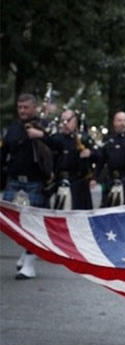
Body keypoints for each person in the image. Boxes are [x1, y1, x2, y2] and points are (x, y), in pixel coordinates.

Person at [1, 93, 53, 279]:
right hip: (14, 181)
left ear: (34, 108)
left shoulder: (45, 126)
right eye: (20, 107)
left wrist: (42, 135)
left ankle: (29, 265)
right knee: (12, 222)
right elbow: (4, 152)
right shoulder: (13, 128)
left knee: (33, 224)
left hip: (36, 181)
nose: (22, 111)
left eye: (26, 107)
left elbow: (59, 145)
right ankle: (26, 252)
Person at [48, 109, 98, 209]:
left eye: (68, 120)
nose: (65, 124)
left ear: (75, 121)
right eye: (63, 121)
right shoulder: (55, 139)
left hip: (79, 184)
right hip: (60, 182)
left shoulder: (83, 139)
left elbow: (99, 155)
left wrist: (90, 153)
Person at [94, 111, 125, 207]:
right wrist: (95, 178)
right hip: (110, 179)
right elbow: (101, 160)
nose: (123, 123)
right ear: (114, 122)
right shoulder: (108, 139)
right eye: (120, 120)